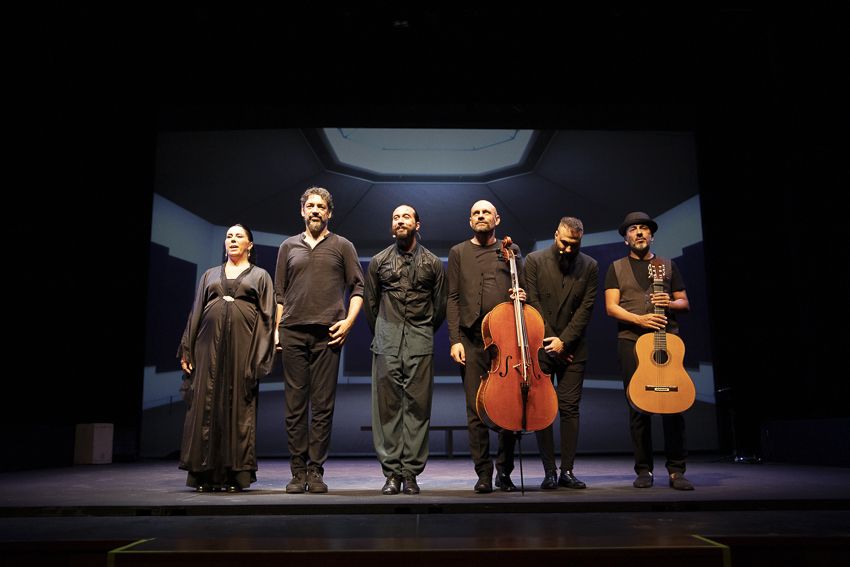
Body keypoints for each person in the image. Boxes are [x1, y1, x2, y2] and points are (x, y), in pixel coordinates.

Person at [274, 187, 364, 494]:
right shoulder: (288, 247)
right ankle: (297, 472)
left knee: (323, 406)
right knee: (295, 406)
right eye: (310, 205)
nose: (315, 210)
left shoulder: (343, 246)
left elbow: (358, 289)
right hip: (293, 331)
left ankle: (315, 471)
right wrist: (276, 329)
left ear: (329, 213)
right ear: (302, 211)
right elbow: (280, 295)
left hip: (328, 335)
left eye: (321, 206)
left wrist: (349, 323)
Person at [178, 224, 276, 493]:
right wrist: (187, 347)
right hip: (207, 347)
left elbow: (269, 317)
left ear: (250, 245)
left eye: (239, 237)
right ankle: (204, 474)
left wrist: (260, 354)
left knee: (238, 408)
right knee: (206, 405)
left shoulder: (260, 276)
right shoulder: (209, 275)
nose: (232, 240)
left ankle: (235, 476)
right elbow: (196, 310)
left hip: (242, 349)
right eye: (229, 236)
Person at [604, 211, 694, 490]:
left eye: (644, 228)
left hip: (666, 342)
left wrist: (668, 302)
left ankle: (677, 471)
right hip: (632, 341)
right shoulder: (616, 268)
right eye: (633, 229)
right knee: (638, 408)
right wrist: (639, 319)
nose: (639, 233)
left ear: (651, 235)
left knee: (673, 408)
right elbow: (611, 307)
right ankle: (644, 470)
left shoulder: (668, 266)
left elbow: (684, 303)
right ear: (626, 238)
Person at [364, 204, 447, 495]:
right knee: (386, 410)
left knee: (417, 409)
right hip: (386, 341)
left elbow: (440, 308)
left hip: (420, 341)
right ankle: (391, 474)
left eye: (406, 217)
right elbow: (370, 305)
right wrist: (384, 330)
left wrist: (422, 331)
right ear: (391, 226)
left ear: (417, 224)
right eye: (395, 218)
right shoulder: (378, 261)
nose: (400, 221)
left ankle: (410, 473)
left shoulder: (433, 263)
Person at [448, 199, 525, 493]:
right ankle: (483, 473)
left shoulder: (512, 251)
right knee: (476, 408)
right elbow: (452, 298)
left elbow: (523, 289)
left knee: (509, 407)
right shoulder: (458, 252)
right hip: (471, 340)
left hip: (505, 342)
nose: (481, 216)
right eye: (476, 213)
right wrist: (455, 340)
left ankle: (504, 470)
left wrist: (521, 292)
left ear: (497, 219)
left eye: (486, 213)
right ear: (470, 221)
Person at [525, 216, 598, 490]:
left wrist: (564, 342)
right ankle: (549, 472)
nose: (568, 249)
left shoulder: (590, 266)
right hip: (541, 349)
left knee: (569, 409)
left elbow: (585, 309)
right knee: (544, 410)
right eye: (565, 242)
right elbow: (532, 303)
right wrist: (550, 342)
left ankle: (567, 471)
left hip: (573, 349)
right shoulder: (533, 261)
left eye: (574, 244)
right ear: (556, 234)